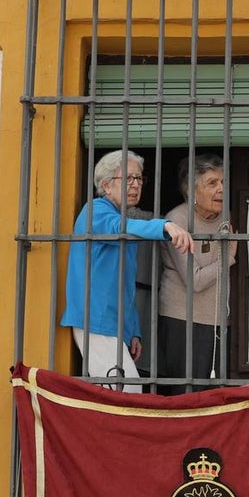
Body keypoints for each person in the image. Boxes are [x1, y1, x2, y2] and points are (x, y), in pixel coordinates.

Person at [61, 150, 194, 392]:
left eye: (140, 179)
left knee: (123, 390)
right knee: (126, 391)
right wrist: (164, 225)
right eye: (129, 179)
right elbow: (119, 227)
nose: (136, 185)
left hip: (113, 321)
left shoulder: (117, 216)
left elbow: (124, 284)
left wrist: (132, 330)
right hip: (96, 319)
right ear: (106, 185)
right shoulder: (96, 210)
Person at [158, 153, 236, 393]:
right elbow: (196, 280)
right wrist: (228, 257)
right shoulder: (177, 219)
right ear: (191, 190)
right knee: (186, 394)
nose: (221, 189)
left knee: (215, 396)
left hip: (217, 320)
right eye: (212, 183)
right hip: (182, 320)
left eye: (223, 182)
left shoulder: (225, 217)